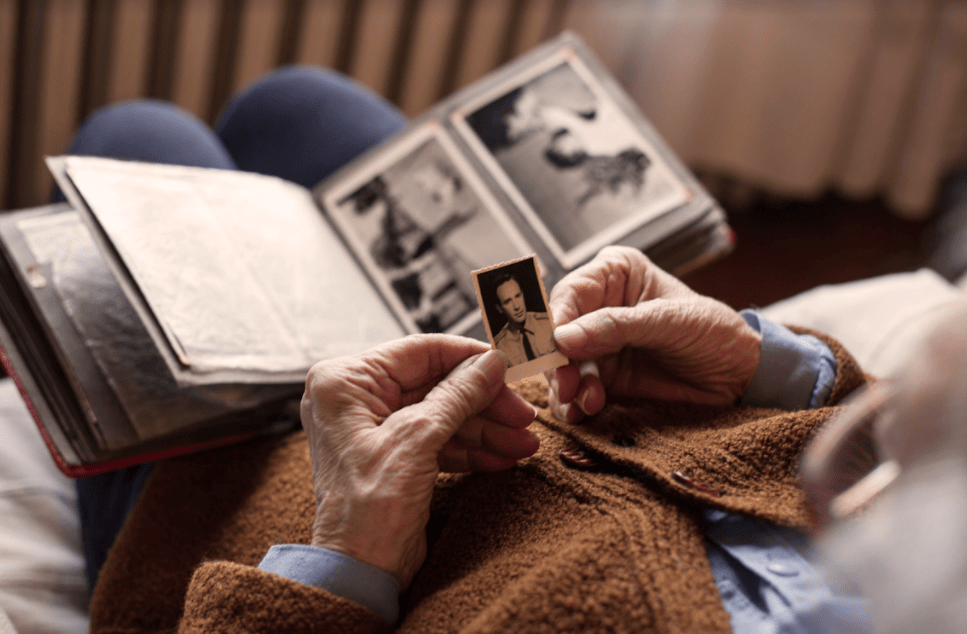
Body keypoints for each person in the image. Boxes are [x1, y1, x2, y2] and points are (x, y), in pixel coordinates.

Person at [70, 67, 876, 633]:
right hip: (563, 380)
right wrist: (764, 364)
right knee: (288, 105)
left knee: (135, 133)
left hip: (236, 504)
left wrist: (350, 551)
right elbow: (917, 439)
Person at [491, 273, 557, 365]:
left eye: (518, 296)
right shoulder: (499, 347)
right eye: (507, 302)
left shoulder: (549, 322)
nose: (517, 306)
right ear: (499, 308)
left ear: (523, 294)